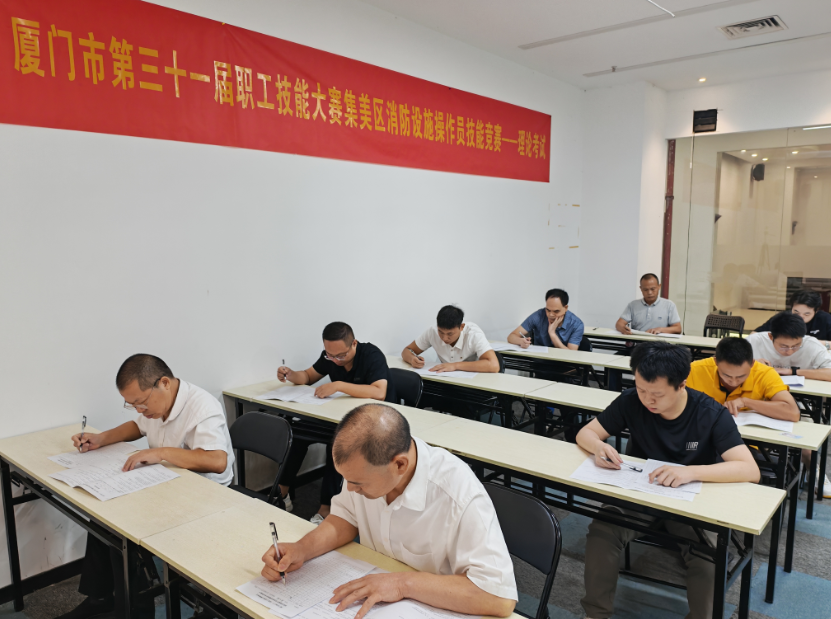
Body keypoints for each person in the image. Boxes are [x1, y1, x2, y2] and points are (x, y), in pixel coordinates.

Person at [261, 404, 517, 619]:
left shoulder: (458, 494)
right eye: (346, 479)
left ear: (400, 465)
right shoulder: (367, 470)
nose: (350, 489)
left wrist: (401, 583)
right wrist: (302, 549)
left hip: (435, 606)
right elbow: (344, 517)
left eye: (358, 483)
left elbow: (499, 598)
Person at [577, 343, 759, 619]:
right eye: (641, 389)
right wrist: (598, 447)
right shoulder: (631, 400)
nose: (647, 400)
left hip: (690, 500)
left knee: (709, 557)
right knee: (602, 533)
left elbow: (749, 469)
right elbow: (586, 433)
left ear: (681, 384)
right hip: (640, 493)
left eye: (657, 394)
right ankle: (595, 614)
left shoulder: (710, 413)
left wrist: (690, 472)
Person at [59, 355, 234, 619]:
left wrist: (161, 453)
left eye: (140, 403)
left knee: (122, 531)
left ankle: (134, 612)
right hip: (167, 486)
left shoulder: (202, 407)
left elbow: (217, 461)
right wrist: (101, 438)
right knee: (102, 517)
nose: (139, 411)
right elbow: (136, 427)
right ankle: (100, 599)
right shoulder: (155, 405)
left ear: (164, 383)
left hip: (206, 497)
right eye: (132, 405)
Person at [276, 322, 396, 524]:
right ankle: (282, 492)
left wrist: (339, 385)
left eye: (340, 355)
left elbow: (379, 392)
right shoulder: (330, 356)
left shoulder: (371, 355)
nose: (335, 360)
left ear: (354, 344)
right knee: (298, 431)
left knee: (338, 443)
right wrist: (290, 374)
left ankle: (327, 508)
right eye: (330, 356)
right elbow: (308, 376)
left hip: (377, 419)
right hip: (344, 416)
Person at [686, 337, 799, 421]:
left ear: (752, 364)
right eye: (726, 375)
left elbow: (793, 413)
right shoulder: (694, 370)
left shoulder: (764, 373)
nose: (733, 382)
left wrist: (746, 402)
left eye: (741, 376)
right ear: (716, 362)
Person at [402, 305, 499, 373]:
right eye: (441, 332)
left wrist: (455, 366)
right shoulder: (432, 331)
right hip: (445, 379)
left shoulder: (473, 334)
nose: (444, 338)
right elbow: (407, 351)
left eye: (450, 334)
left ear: (461, 327)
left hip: (471, 382)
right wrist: (412, 359)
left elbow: (494, 365)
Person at [747, 312, 831, 381]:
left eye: (796, 346)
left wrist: (792, 372)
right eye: (783, 346)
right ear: (771, 337)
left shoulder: (812, 345)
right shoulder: (754, 341)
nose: (789, 352)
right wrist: (752, 364)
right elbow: (738, 365)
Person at [507, 288, 587, 350]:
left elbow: (571, 355)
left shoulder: (577, 324)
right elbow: (511, 336)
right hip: (540, 361)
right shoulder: (538, 315)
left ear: (565, 308)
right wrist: (521, 341)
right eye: (548, 310)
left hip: (563, 363)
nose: (550, 315)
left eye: (556, 311)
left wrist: (552, 334)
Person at [754, 290, 831, 348]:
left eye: (806, 314)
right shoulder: (783, 317)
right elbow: (755, 335)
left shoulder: (825, 319)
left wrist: (811, 343)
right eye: (796, 312)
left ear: (816, 311)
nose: (800, 317)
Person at [615, 273, 682, 335]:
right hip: (638, 342)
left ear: (659, 287)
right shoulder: (633, 305)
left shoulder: (669, 305)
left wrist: (660, 329)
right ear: (641, 289)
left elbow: (678, 328)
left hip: (660, 342)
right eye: (645, 290)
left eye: (653, 289)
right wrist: (623, 329)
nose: (649, 293)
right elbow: (619, 324)